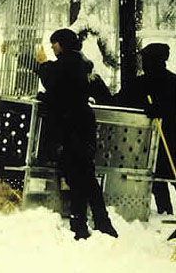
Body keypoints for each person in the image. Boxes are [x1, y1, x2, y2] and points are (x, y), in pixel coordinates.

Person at [35, 28, 118, 240]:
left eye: (54, 43)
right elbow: (71, 91)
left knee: (77, 177)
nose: (52, 48)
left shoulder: (66, 63)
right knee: (86, 175)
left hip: (70, 127)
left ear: (62, 43)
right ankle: (100, 221)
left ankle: (81, 225)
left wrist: (43, 64)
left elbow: (55, 84)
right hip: (82, 125)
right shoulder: (82, 63)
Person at [115, 43, 176, 214]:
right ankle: (165, 210)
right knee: (158, 176)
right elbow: (120, 101)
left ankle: (165, 209)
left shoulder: (169, 82)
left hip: (167, 138)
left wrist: (161, 109)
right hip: (153, 139)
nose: (143, 63)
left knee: (165, 172)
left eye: (146, 59)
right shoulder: (139, 84)